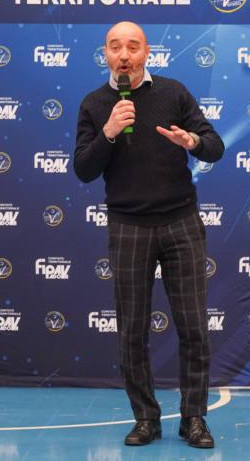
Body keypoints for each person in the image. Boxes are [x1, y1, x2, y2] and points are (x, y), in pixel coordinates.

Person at [74, 22, 224, 448]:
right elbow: (83, 169)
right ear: (105, 54)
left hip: (181, 223)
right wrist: (108, 132)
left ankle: (194, 418)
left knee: (193, 326)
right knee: (132, 331)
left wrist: (192, 141)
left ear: (147, 53)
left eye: (133, 46)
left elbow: (215, 146)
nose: (124, 55)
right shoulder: (94, 104)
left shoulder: (174, 93)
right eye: (115, 47)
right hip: (128, 227)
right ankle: (145, 418)